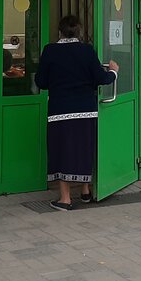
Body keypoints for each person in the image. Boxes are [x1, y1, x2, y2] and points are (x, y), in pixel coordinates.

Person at [34, 14, 118, 211]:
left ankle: (64, 199)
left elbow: (41, 82)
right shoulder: (87, 51)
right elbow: (101, 78)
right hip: (86, 111)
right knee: (83, 149)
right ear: (79, 32)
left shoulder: (50, 51)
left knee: (61, 151)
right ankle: (85, 191)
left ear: (59, 32)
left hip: (60, 110)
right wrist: (113, 71)